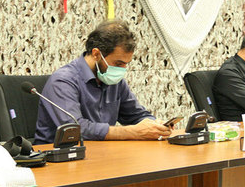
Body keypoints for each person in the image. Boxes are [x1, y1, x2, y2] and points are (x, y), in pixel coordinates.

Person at [34, 20, 173, 144]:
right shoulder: (63, 81)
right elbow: (75, 129)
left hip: (100, 152)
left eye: (126, 64)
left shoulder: (114, 80)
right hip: (58, 156)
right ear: (96, 54)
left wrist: (156, 126)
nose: (123, 69)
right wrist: (133, 132)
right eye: (118, 63)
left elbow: (136, 115)